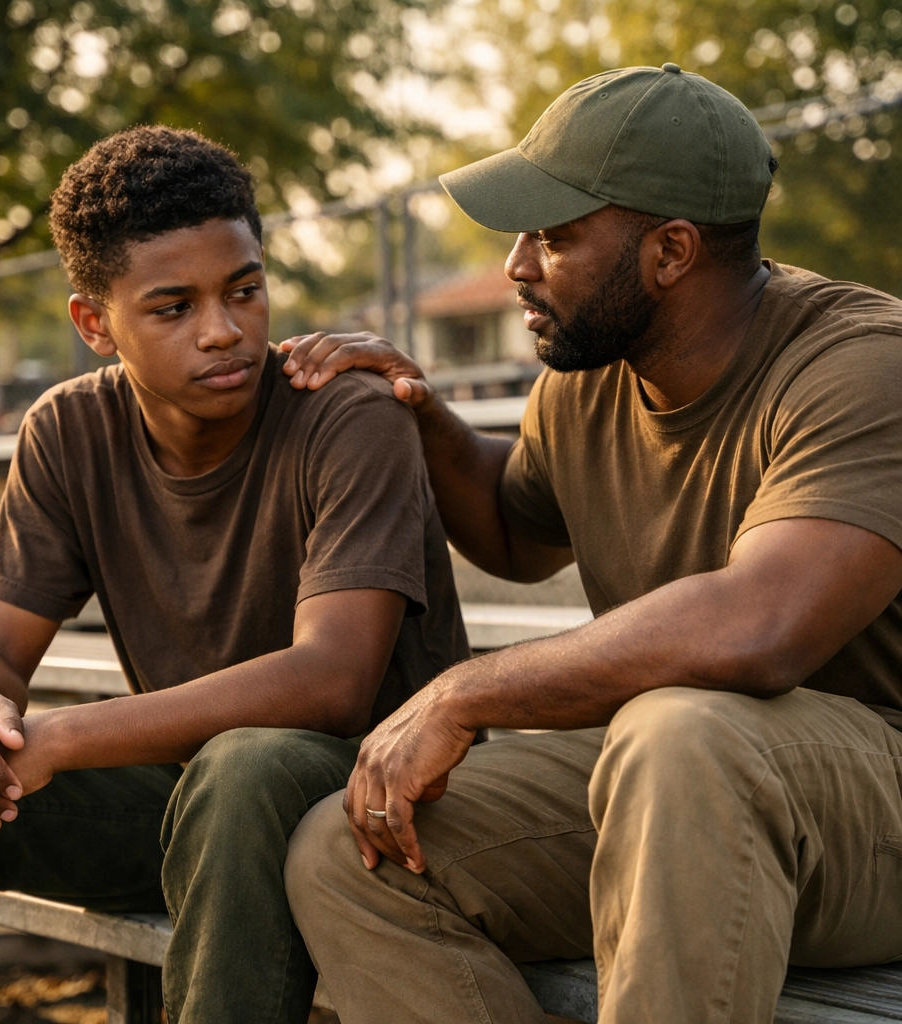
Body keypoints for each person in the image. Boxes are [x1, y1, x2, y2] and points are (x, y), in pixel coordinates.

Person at [281, 65, 902, 1024]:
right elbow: (518, 531)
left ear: (671, 251)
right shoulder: (591, 371)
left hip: (870, 809)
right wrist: (422, 414)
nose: (517, 266)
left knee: (683, 730)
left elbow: (763, 625)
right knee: (352, 845)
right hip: (681, 799)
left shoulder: (862, 364)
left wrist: (461, 690)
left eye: (554, 236)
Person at [0, 125, 468, 1024]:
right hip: (195, 797)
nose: (224, 331)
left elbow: (336, 681)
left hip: (380, 798)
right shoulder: (67, 431)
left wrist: (64, 741)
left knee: (241, 770)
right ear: (93, 323)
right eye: (172, 308)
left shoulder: (349, 414)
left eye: (244, 290)